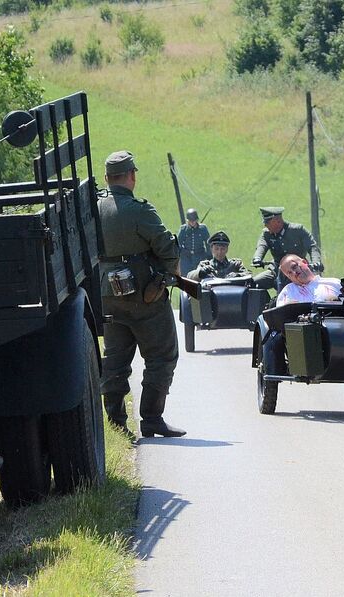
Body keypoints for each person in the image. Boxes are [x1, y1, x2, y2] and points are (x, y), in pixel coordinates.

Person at [98, 150, 186, 438]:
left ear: (107, 178)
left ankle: (116, 424)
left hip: (106, 296)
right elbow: (167, 249)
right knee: (162, 356)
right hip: (144, 299)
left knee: (114, 359)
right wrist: (164, 277)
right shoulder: (139, 210)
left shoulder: (93, 209)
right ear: (132, 175)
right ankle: (151, 418)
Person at [261, 254, 342, 376]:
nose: (294, 272)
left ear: (304, 262)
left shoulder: (334, 283)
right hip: (306, 339)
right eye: (289, 273)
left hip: (339, 332)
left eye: (295, 267)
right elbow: (282, 319)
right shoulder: (288, 292)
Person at [252, 207, 322, 291]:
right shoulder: (266, 234)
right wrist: (257, 258)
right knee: (253, 283)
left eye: (267, 222)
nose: (265, 225)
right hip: (276, 270)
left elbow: (312, 247)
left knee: (313, 286)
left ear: (278, 221)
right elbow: (261, 246)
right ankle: (267, 303)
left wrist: (316, 261)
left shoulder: (298, 230)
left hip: (296, 270)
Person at [177, 208, 210, 277]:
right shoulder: (183, 229)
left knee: (200, 276)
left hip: (200, 257)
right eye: (190, 220)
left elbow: (208, 244)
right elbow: (178, 244)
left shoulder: (203, 229)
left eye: (194, 220)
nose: (192, 222)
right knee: (186, 278)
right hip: (186, 259)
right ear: (187, 221)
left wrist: (209, 257)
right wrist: (181, 256)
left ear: (197, 220)